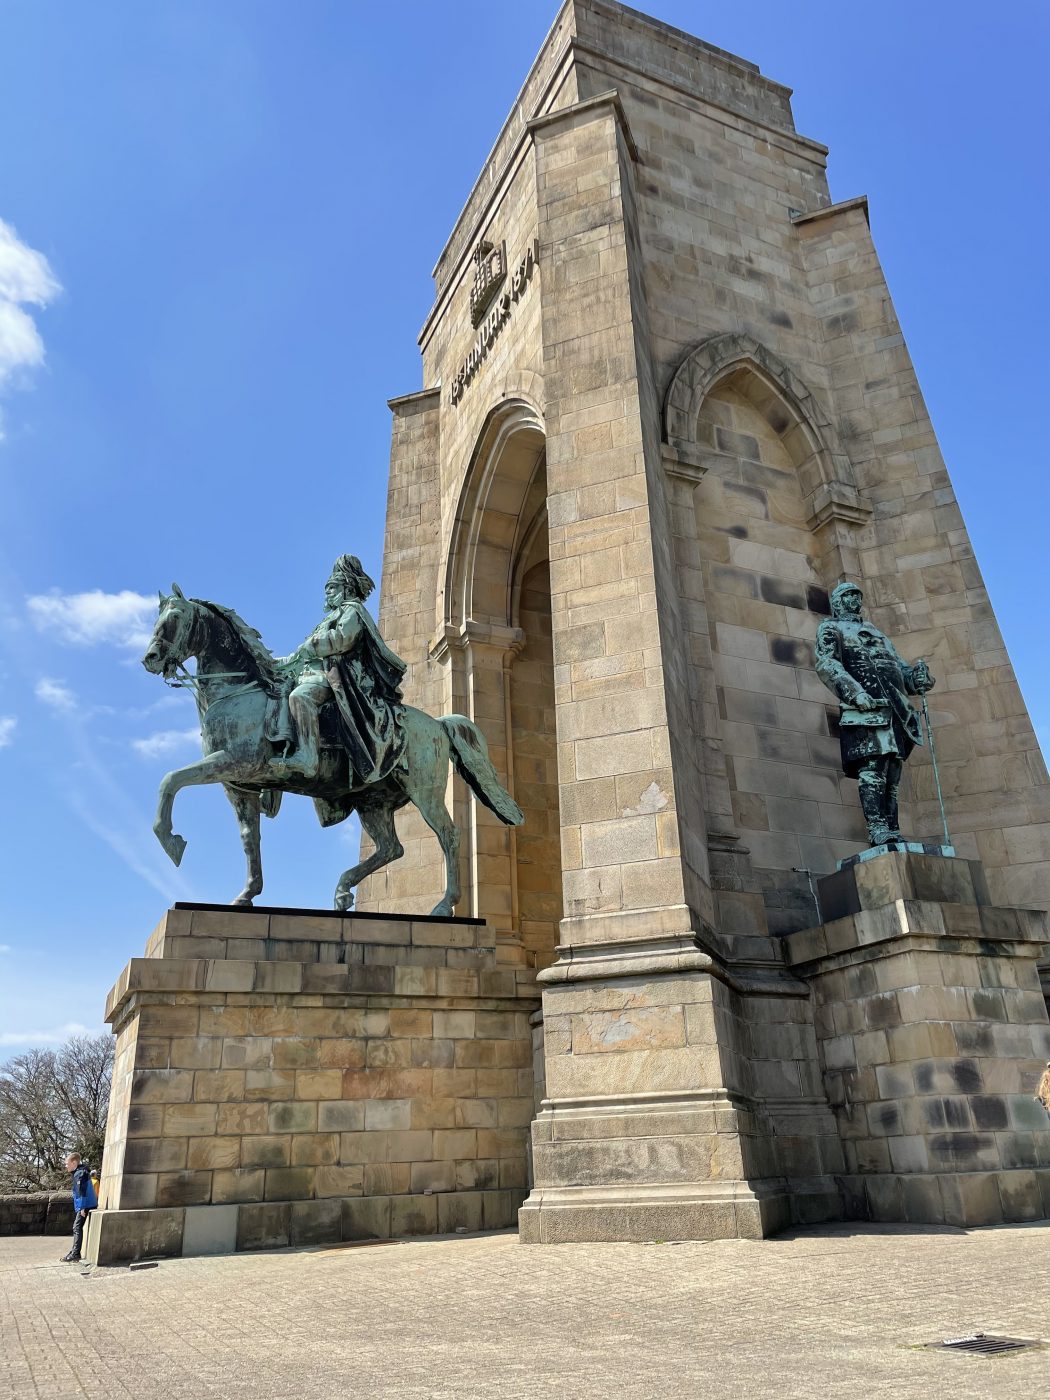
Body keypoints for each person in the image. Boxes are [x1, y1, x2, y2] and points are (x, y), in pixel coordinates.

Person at [815, 581, 935, 847]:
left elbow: (900, 670)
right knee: (872, 767)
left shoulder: (876, 632)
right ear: (838, 602)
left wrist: (916, 678)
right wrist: (855, 693)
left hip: (895, 711)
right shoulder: (831, 628)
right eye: (848, 596)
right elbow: (827, 663)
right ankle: (877, 828)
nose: (854, 600)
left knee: (893, 772)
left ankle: (893, 827)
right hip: (865, 710)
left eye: (857, 595)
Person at [275, 554, 406, 785]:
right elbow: (300, 655)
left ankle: (307, 757)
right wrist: (278, 663)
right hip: (313, 673)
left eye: (332, 587)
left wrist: (311, 646)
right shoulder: (331, 616)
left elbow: (343, 639)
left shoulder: (353, 611)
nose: (327, 592)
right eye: (327, 587)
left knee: (299, 697)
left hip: (335, 677)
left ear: (346, 589)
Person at [61, 1153, 96, 1263]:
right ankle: (74, 1252)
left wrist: (82, 1207)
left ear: (74, 1162)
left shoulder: (79, 1174)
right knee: (76, 1227)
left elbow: (82, 1191)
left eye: (67, 1164)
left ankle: (75, 1253)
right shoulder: (80, 1172)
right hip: (86, 1204)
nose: (66, 1166)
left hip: (86, 1205)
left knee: (76, 1227)